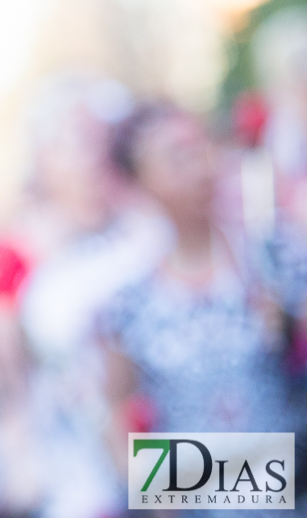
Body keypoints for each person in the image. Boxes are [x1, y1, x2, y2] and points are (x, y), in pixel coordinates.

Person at [101, 103, 307, 500]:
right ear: (140, 182)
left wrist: (288, 328)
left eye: (201, 148)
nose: (199, 167)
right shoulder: (129, 305)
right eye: (177, 157)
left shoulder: (273, 256)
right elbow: (115, 411)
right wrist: (157, 491)